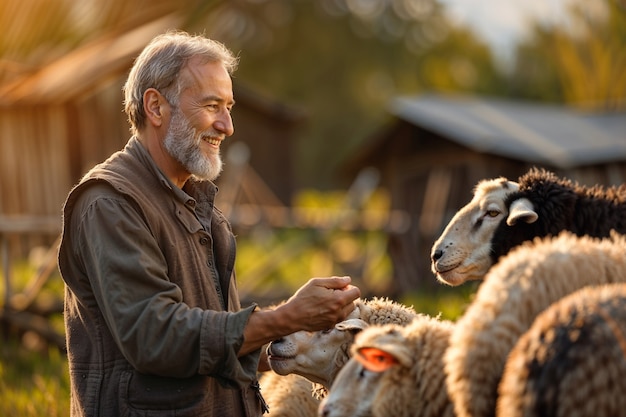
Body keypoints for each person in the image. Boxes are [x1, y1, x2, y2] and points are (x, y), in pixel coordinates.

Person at [57, 30, 361, 417]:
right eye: (212, 105)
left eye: (229, 107)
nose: (227, 126)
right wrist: (288, 317)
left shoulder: (198, 205)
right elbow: (156, 336)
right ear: (155, 107)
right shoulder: (109, 203)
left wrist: (306, 337)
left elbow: (214, 339)